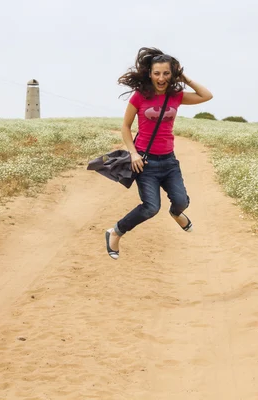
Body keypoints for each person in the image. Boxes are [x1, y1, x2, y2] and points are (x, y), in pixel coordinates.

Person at [105, 47, 213, 259]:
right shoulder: (140, 97)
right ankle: (115, 232)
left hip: (169, 162)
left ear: (172, 74)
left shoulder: (176, 96)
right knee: (151, 208)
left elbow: (206, 96)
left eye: (166, 73)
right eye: (157, 73)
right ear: (149, 74)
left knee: (181, 202)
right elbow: (125, 127)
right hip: (145, 163)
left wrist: (184, 77)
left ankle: (176, 214)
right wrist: (134, 154)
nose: (161, 78)